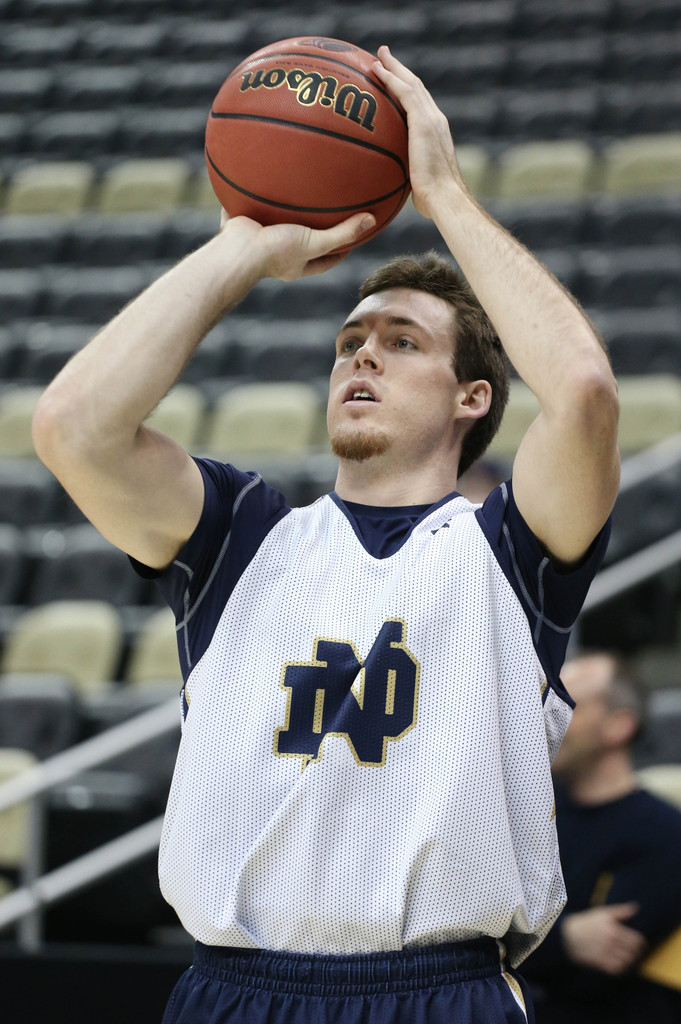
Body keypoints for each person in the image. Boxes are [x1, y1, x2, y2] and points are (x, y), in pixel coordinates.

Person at [31, 47, 620, 1024]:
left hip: (440, 991)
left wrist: (443, 196)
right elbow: (72, 427)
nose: (361, 357)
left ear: (472, 397)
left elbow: (585, 395)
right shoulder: (240, 535)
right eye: (349, 342)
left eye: (401, 342)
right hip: (233, 989)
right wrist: (244, 243)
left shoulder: (509, 553)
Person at [524, 652, 681, 1023]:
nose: (545, 717)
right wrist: (566, 939)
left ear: (618, 726)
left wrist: (522, 941)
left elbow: (594, 977)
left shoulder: (662, 833)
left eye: (568, 703)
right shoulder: (530, 811)